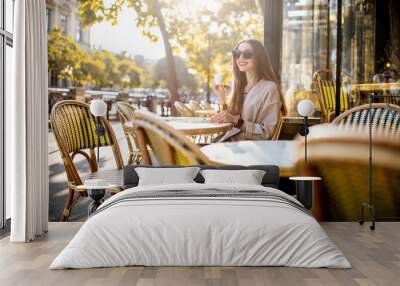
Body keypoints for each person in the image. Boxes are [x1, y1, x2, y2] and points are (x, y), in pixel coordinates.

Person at [211, 39, 287, 140]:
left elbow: (267, 132)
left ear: (259, 57)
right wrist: (222, 98)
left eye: (247, 54)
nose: (240, 58)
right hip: (229, 146)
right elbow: (227, 124)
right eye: (237, 53)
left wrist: (237, 121)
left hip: (249, 151)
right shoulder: (239, 86)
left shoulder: (270, 88)